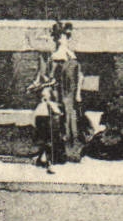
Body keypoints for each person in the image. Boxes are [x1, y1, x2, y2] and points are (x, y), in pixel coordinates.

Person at [28, 20, 86, 168]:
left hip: (69, 94)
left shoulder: (72, 57)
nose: (60, 40)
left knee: (70, 120)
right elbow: (45, 76)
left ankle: (69, 152)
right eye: (57, 37)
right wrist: (41, 87)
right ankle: (49, 154)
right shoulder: (51, 57)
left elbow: (80, 76)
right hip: (55, 93)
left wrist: (78, 93)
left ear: (67, 38)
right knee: (53, 121)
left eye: (64, 37)